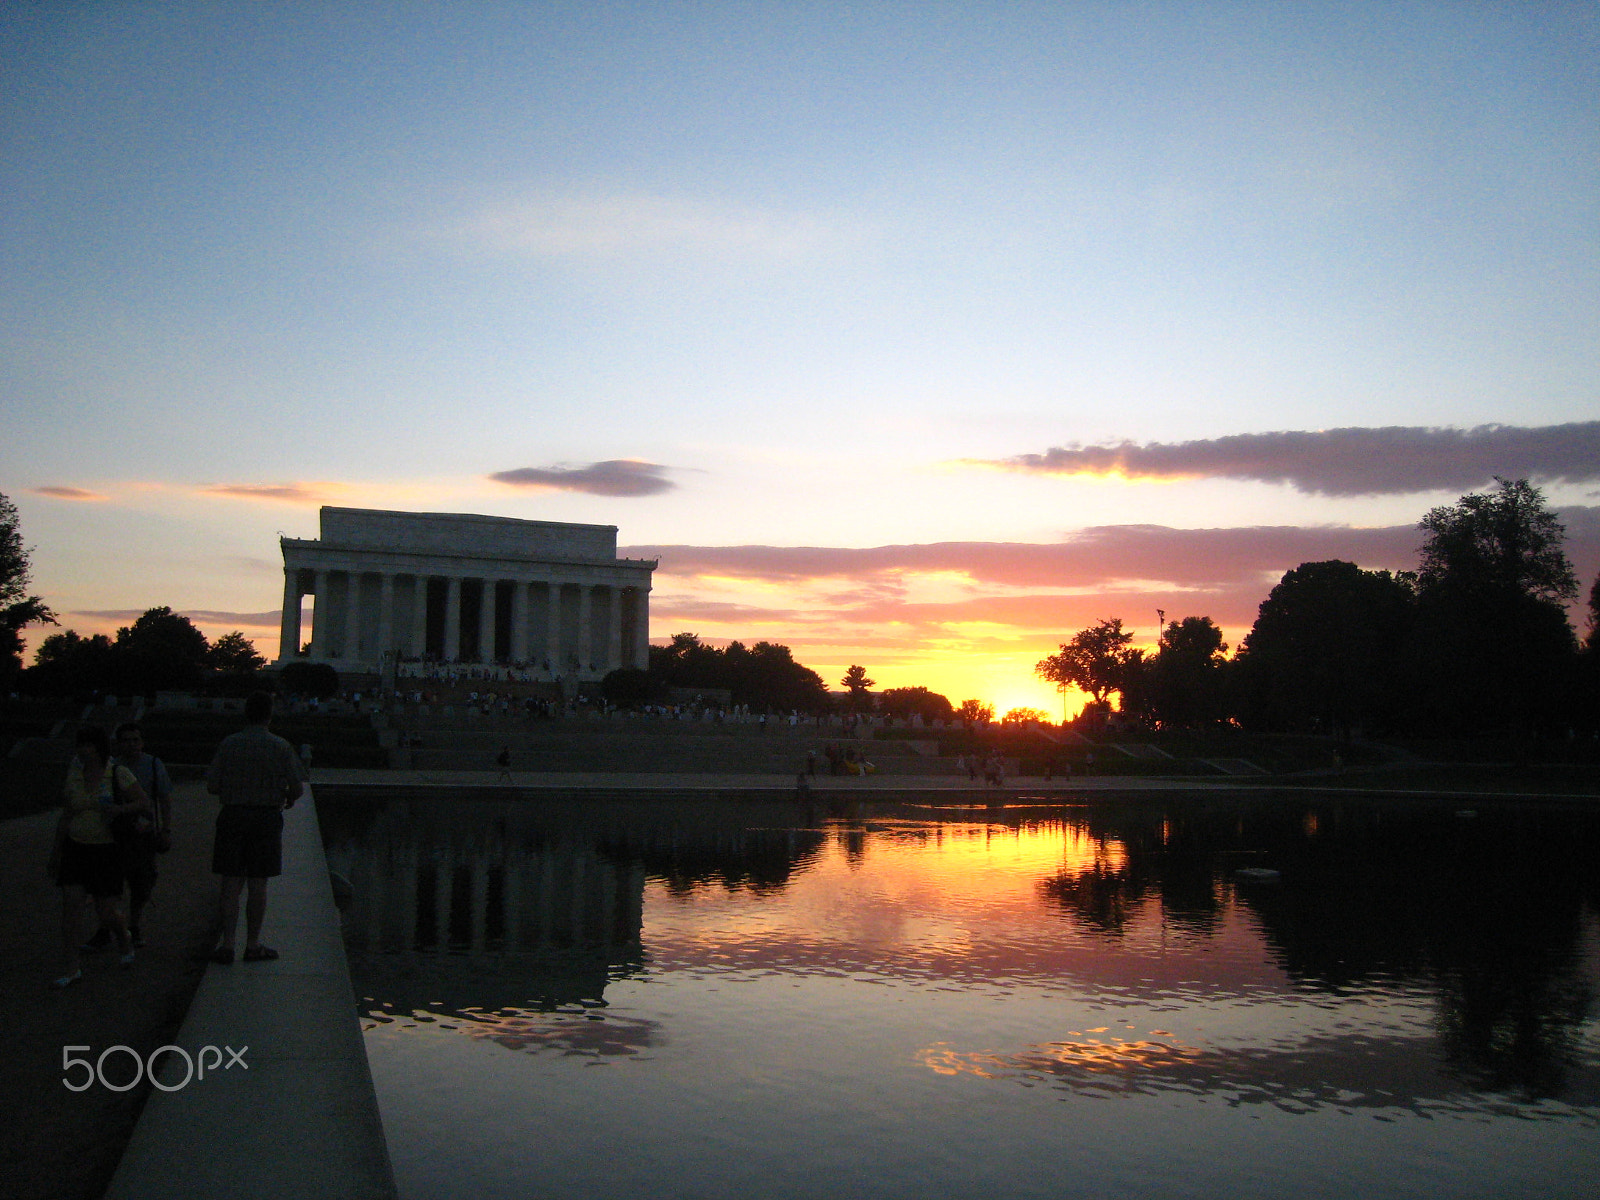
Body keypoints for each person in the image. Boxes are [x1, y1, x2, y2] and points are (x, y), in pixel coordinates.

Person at [206, 691, 307, 964]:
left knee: (230, 882)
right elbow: (297, 787)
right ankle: (252, 944)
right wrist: (285, 796)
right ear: (269, 715)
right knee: (258, 883)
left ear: (246, 714)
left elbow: (212, 785)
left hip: (233, 815)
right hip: (265, 819)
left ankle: (228, 945)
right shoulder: (280, 746)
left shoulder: (229, 744)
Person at [51, 725, 150, 988]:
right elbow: (67, 815)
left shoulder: (117, 772)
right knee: (71, 907)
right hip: (76, 848)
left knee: (106, 912)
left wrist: (119, 809)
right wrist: (56, 852)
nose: (83, 750)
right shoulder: (74, 775)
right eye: (81, 745)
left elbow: (143, 801)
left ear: (99, 748)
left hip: (106, 851)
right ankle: (72, 967)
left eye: (89, 745)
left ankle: (123, 935)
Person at [84, 722, 172, 951]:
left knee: (141, 883)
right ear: (118, 743)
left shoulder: (153, 765)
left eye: (136, 740)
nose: (132, 745)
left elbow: (164, 799)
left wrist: (166, 829)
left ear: (142, 742)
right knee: (109, 884)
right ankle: (108, 927)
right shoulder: (112, 767)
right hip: (116, 833)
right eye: (126, 740)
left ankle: (133, 925)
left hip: (142, 834)